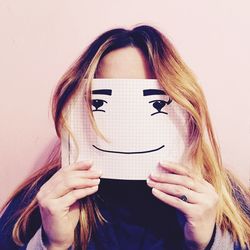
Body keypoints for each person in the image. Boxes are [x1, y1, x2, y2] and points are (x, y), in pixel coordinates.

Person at [0, 25, 249, 250]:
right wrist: (52, 244)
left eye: (157, 103)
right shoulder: (43, 202)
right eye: (100, 102)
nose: (129, 122)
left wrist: (211, 242)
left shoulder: (224, 198)